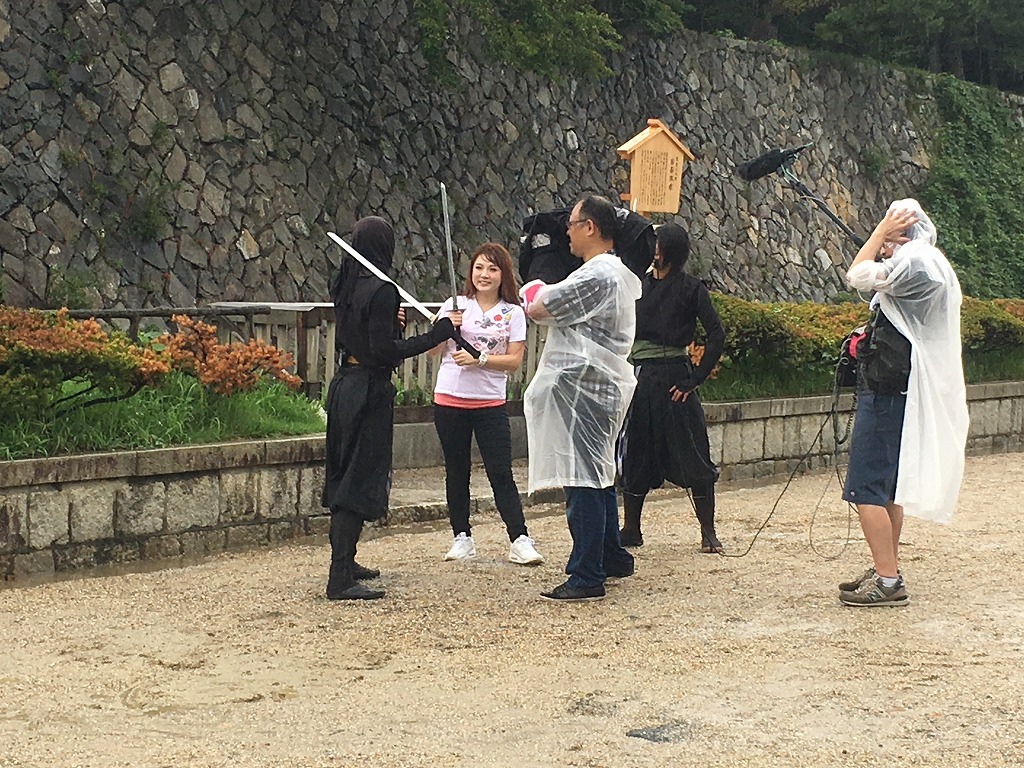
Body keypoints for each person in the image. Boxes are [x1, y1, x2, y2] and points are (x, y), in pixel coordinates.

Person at [838, 199, 968, 607]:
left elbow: (857, 275)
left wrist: (879, 234)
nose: (883, 247)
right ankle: (886, 566)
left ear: (901, 233)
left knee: (865, 489)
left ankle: (889, 580)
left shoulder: (914, 263)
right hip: (904, 387)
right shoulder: (931, 262)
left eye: (889, 235)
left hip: (888, 389)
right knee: (889, 490)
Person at [322, 216, 456, 601]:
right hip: (368, 391)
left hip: (344, 386)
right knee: (357, 479)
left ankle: (346, 562)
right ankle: (339, 577)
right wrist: (435, 335)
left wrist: (392, 321)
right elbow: (383, 351)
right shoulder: (383, 289)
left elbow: (366, 333)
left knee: (345, 473)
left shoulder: (345, 283)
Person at [523, 195, 643, 602]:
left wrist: (535, 281)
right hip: (598, 386)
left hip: (585, 389)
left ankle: (587, 573)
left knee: (582, 479)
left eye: (572, 225)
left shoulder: (598, 274)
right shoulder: (613, 271)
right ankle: (610, 555)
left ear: (590, 227)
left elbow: (542, 307)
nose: (567, 233)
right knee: (599, 474)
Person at [429, 243, 544, 566]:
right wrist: (444, 328)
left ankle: (519, 538)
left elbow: (514, 361)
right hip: (449, 398)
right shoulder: (455, 305)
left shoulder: (513, 312)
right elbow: (432, 351)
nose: (484, 275)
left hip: (490, 402)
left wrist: (480, 359)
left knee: (500, 470)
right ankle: (461, 536)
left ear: (503, 274)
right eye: (479, 267)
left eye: (492, 269)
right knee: (456, 470)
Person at [615, 223, 726, 553]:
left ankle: (708, 532)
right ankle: (631, 528)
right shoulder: (638, 285)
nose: (653, 250)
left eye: (658, 244)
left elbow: (716, 334)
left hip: (675, 379)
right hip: (640, 378)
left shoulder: (691, 288)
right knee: (635, 452)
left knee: (693, 453)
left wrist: (694, 379)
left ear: (670, 250)